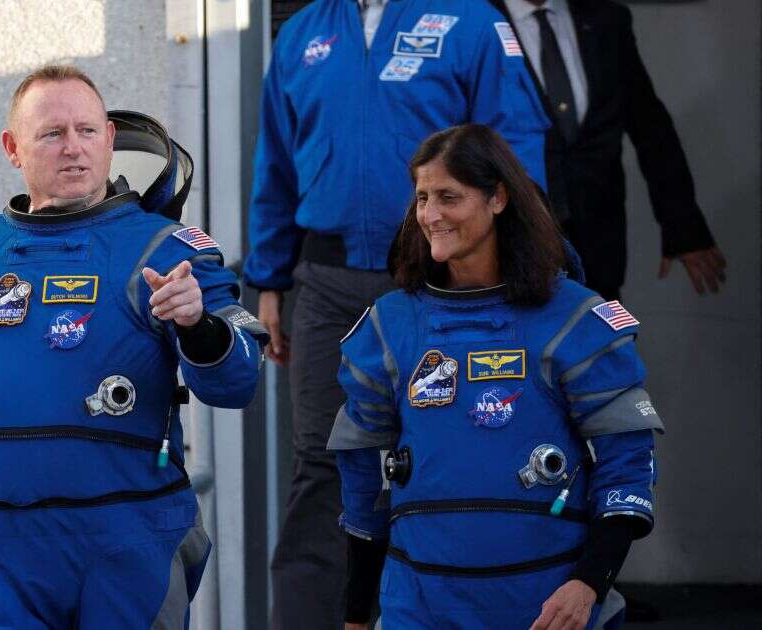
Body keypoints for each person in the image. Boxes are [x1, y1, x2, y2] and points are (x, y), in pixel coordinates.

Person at [0, 65, 268, 629]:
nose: (74, 148)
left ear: (110, 140)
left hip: (130, 539)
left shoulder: (167, 250)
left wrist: (197, 325)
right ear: (12, 148)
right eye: (52, 134)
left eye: (88, 131)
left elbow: (239, 381)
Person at [246, 2, 551, 626]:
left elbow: (517, 153)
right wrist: (267, 279)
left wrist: (526, 270)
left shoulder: (469, 22)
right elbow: (274, 163)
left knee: (460, 456)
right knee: (326, 465)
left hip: (443, 280)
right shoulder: (302, 32)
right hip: (327, 283)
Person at [330, 124, 662, 629]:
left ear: (498, 198)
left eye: (449, 197)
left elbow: (627, 471)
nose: (431, 215)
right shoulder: (389, 326)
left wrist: (588, 585)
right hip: (419, 610)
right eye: (422, 198)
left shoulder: (573, 319)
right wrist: (356, 616)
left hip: (547, 611)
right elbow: (364, 491)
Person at [494, 0, 726, 300]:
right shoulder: (474, 21)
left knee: (610, 338)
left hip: (599, 254)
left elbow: (650, 127)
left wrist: (683, 225)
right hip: (513, 251)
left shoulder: (606, 18)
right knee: (526, 344)